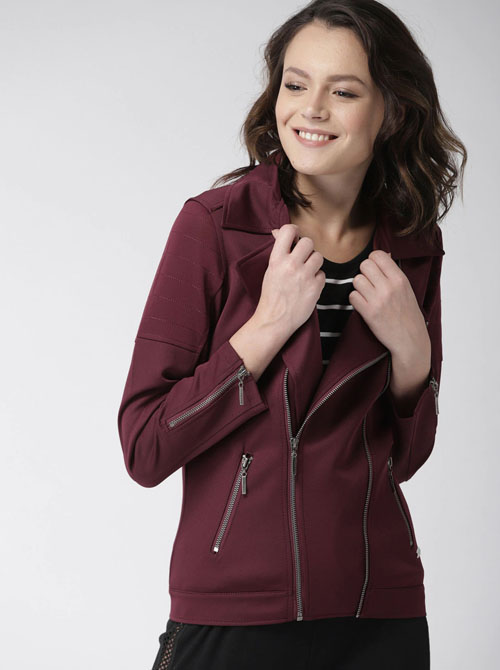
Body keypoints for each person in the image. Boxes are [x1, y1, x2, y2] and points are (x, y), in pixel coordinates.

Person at [117, 1, 466, 668]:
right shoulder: (216, 227)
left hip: (380, 611)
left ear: (392, 111)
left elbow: (405, 457)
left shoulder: (413, 246)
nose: (311, 109)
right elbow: (145, 445)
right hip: (234, 607)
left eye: (344, 92)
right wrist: (266, 328)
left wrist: (413, 356)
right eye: (296, 84)